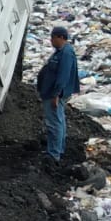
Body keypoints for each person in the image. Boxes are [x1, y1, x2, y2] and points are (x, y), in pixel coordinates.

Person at [36, 25, 80, 162]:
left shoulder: (66, 53)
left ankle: (53, 154)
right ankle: (57, 150)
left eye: (53, 38)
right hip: (52, 92)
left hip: (54, 94)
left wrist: (56, 94)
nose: (51, 40)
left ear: (61, 37)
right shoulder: (61, 51)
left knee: (54, 123)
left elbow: (63, 76)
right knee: (58, 121)